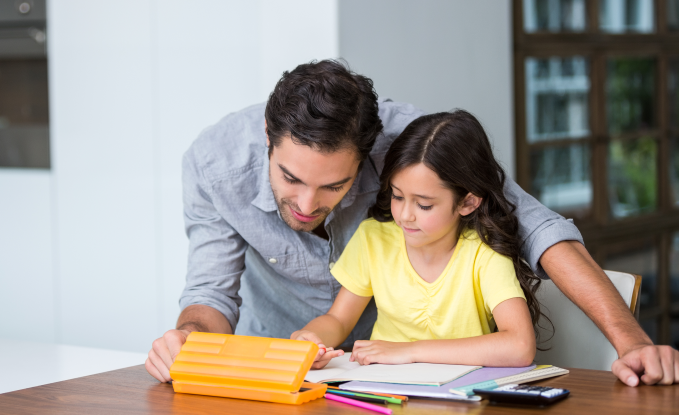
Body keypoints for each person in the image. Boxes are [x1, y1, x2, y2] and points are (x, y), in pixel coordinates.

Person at [145, 60, 679, 386]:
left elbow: (536, 227)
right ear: (267, 134)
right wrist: (187, 338)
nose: (307, 204)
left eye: (334, 186)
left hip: (407, 382)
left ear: (368, 155)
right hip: (294, 371)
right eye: (289, 178)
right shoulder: (213, 165)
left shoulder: (410, 146)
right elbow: (210, 294)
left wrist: (631, 342)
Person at [292, 110, 542, 369]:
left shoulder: (483, 251)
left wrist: (410, 351)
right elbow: (338, 320)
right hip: (384, 389)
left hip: (460, 397)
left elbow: (520, 347)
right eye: (397, 196)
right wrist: (312, 339)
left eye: (423, 205)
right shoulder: (374, 238)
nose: (404, 215)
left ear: (467, 202)